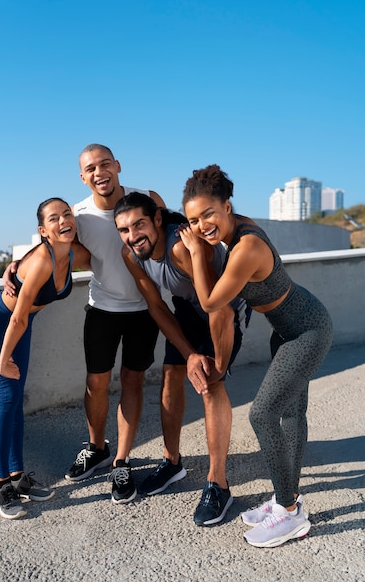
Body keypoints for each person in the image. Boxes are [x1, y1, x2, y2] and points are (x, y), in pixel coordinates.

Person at [179, 164, 333, 547]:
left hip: (308, 329)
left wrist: (197, 253)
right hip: (287, 329)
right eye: (193, 220)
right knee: (293, 413)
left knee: (262, 413)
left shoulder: (245, 247)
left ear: (227, 207)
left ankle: (289, 512)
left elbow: (212, 301)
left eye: (208, 214)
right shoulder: (236, 228)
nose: (202, 226)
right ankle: (287, 499)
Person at [113, 192, 251, 525]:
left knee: (210, 384)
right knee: (172, 372)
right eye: (124, 229)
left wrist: (212, 362)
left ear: (157, 220)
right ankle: (172, 462)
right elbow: (157, 307)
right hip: (189, 310)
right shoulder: (131, 254)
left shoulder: (182, 248)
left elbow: (219, 307)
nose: (132, 236)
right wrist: (188, 354)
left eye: (139, 224)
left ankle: (218, 484)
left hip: (225, 312)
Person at [0, 198, 91, 520]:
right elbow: (17, 318)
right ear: (43, 230)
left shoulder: (74, 253)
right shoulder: (42, 260)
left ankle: (18, 476)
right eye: (54, 218)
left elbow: (109, 258)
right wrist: (3, 360)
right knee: (7, 395)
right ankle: (1, 483)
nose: (63, 220)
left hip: (20, 325)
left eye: (67, 214)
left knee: (16, 398)